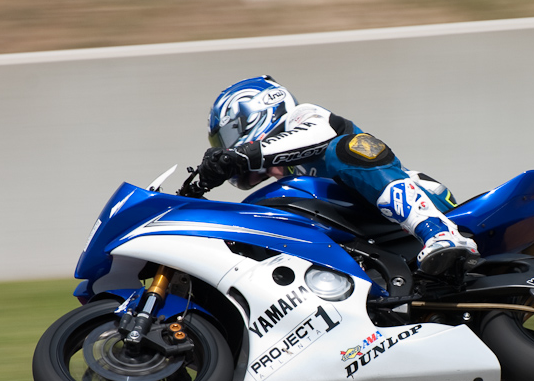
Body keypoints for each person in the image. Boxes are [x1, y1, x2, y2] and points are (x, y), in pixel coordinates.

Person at [198, 75, 479, 276]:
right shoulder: (290, 180)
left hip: (432, 206)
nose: (226, 147)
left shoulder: (302, 117)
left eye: (227, 137)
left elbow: (321, 134)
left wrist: (244, 154)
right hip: (376, 240)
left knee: (346, 148)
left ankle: (439, 233)